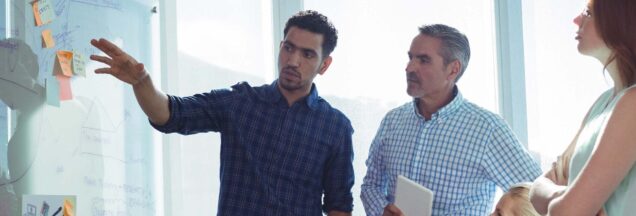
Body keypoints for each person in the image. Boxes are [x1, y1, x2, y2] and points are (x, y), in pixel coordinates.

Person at [90, 10, 354, 216]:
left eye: (307, 54)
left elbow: (339, 206)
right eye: (289, 48)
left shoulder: (336, 127)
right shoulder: (240, 101)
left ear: (324, 65)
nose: (293, 60)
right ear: (281, 46)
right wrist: (142, 82)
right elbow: (171, 113)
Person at [360, 24, 542, 216]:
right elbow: (371, 185)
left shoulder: (487, 130)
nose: (409, 67)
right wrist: (382, 210)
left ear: (453, 69)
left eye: (423, 60)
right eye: (410, 57)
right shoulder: (393, 121)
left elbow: (539, 197)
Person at [529, 0, 636, 215]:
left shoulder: (632, 104)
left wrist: (564, 201)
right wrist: (561, 198)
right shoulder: (603, 104)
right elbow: (537, 188)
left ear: (619, 21)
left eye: (588, 13)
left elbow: (566, 213)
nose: (576, 20)